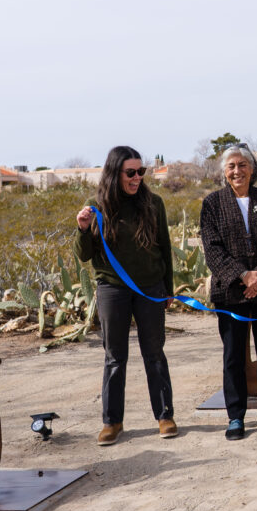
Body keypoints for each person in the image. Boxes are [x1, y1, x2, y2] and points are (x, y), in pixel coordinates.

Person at [74, 146, 176, 446]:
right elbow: (83, 255)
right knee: (114, 357)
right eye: (130, 173)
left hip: (150, 289)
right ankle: (112, 422)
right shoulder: (96, 208)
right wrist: (81, 228)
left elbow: (165, 249)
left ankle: (165, 416)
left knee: (154, 354)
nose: (136, 178)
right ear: (114, 173)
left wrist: (168, 289)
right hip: (112, 290)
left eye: (140, 172)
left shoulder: (154, 203)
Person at [200, 143, 257, 441]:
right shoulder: (212, 204)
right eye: (231, 166)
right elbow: (212, 249)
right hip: (231, 292)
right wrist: (243, 275)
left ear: (252, 168)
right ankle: (236, 417)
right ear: (225, 172)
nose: (237, 171)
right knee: (233, 357)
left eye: (242, 165)